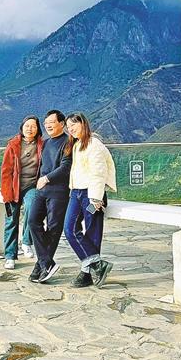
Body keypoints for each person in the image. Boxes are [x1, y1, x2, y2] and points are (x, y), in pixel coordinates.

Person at [62, 112, 117, 288]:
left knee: (92, 233)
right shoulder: (77, 145)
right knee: (70, 229)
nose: (71, 129)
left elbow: (98, 173)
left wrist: (96, 198)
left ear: (83, 124)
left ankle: (87, 273)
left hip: (91, 195)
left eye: (73, 125)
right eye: (68, 127)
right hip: (76, 192)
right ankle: (98, 265)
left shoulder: (94, 144)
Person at [28, 110, 72, 284]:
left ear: (62, 123)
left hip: (58, 192)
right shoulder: (46, 143)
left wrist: (46, 178)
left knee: (53, 228)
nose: (48, 125)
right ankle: (46, 262)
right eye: (46, 123)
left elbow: (66, 167)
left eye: (51, 122)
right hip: (41, 191)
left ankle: (41, 266)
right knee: (32, 221)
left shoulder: (69, 142)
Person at [0, 115, 43, 270]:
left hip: (32, 186)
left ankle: (26, 241)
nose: (30, 129)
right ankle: (10, 256)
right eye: (27, 126)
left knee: (33, 209)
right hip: (14, 187)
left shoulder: (42, 145)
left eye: (33, 126)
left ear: (38, 129)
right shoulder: (13, 145)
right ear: (22, 128)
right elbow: (5, 171)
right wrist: (6, 194)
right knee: (11, 221)